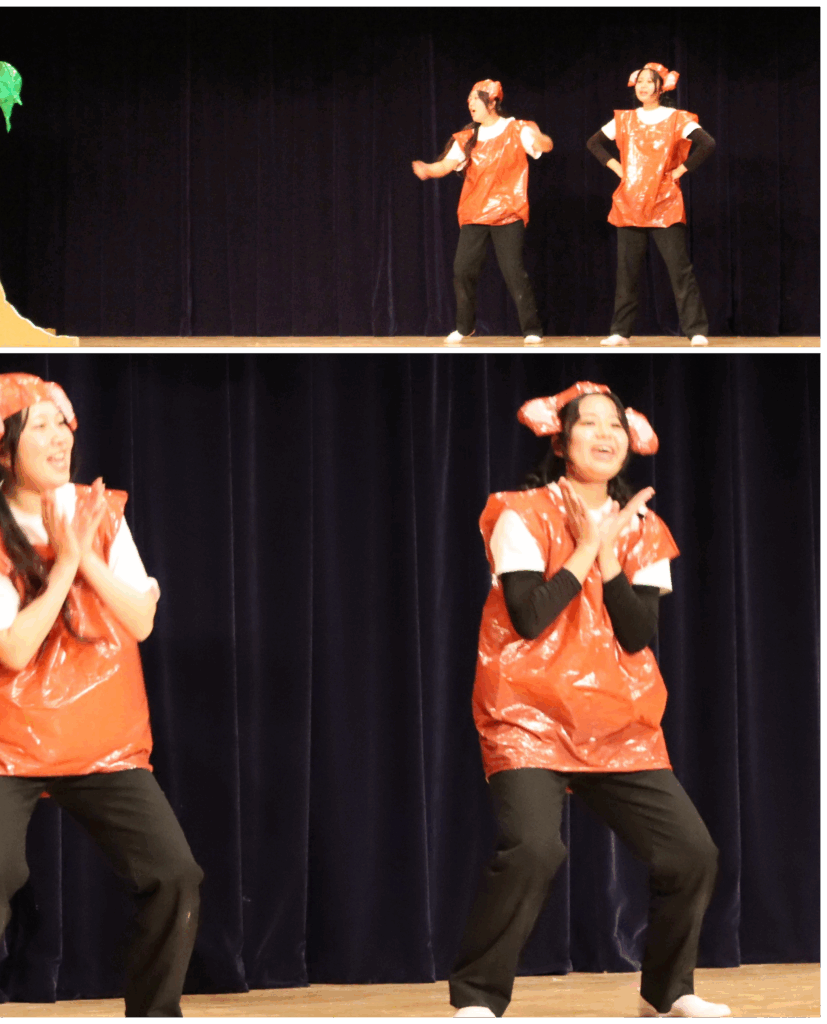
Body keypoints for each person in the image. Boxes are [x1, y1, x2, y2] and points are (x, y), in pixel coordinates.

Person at [0, 373, 202, 1018]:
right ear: (3, 452)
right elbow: (15, 650)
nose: (59, 438)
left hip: (100, 734)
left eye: (62, 423)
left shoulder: (101, 513)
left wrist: (86, 554)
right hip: (3, 743)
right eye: (40, 427)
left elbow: (141, 620)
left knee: (174, 874)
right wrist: (65, 567)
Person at [449, 382, 729, 1018]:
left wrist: (610, 558)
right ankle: (478, 996)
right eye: (589, 423)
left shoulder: (645, 528)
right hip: (527, 712)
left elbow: (636, 633)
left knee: (691, 854)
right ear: (560, 440)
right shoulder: (521, 512)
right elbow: (529, 618)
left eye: (615, 425)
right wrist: (586, 548)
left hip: (616, 718)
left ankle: (667, 993)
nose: (605, 434)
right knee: (534, 848)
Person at [413, 79, 553, 347]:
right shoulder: (467, 137)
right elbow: (446, 165)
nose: (470, 103)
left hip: (508, 212)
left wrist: (541, 137)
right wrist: (428, 170)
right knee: (462, 269)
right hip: (475, 212)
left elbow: (545, 146)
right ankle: (464, 327)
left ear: (492, 102)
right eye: (468, 100)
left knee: (513, 271)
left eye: (475, 99)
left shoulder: (516, 129)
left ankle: (532, 329)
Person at [587, 63, 716, 347]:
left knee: (679, 269)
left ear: (661, 87)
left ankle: (696, 330)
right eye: (640, 81)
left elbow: (707, 143)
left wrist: (680, 170)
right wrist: (618, 168)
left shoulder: (676, 118)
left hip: (664, 202)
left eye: (650, 81)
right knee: (627, 272)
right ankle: (620, 332)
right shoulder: (625, 119)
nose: (643, 86)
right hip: (630, 202)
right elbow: (593, 143)